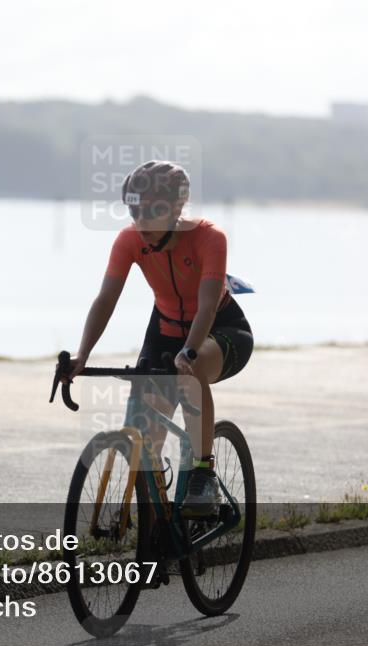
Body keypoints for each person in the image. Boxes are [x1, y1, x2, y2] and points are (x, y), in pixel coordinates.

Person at [67, 160, 253, 516]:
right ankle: (158, 523)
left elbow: (207, 306)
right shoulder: (128, 240)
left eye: (152, 211)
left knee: (191, 375)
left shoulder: (210, 238)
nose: (141, 221)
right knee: (143, 434)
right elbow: (105, 300)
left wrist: (189, 352)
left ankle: (202, 473)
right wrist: (81, 356)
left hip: (222, 329)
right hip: (165, 330)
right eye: (134, 211)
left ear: (177, 208)